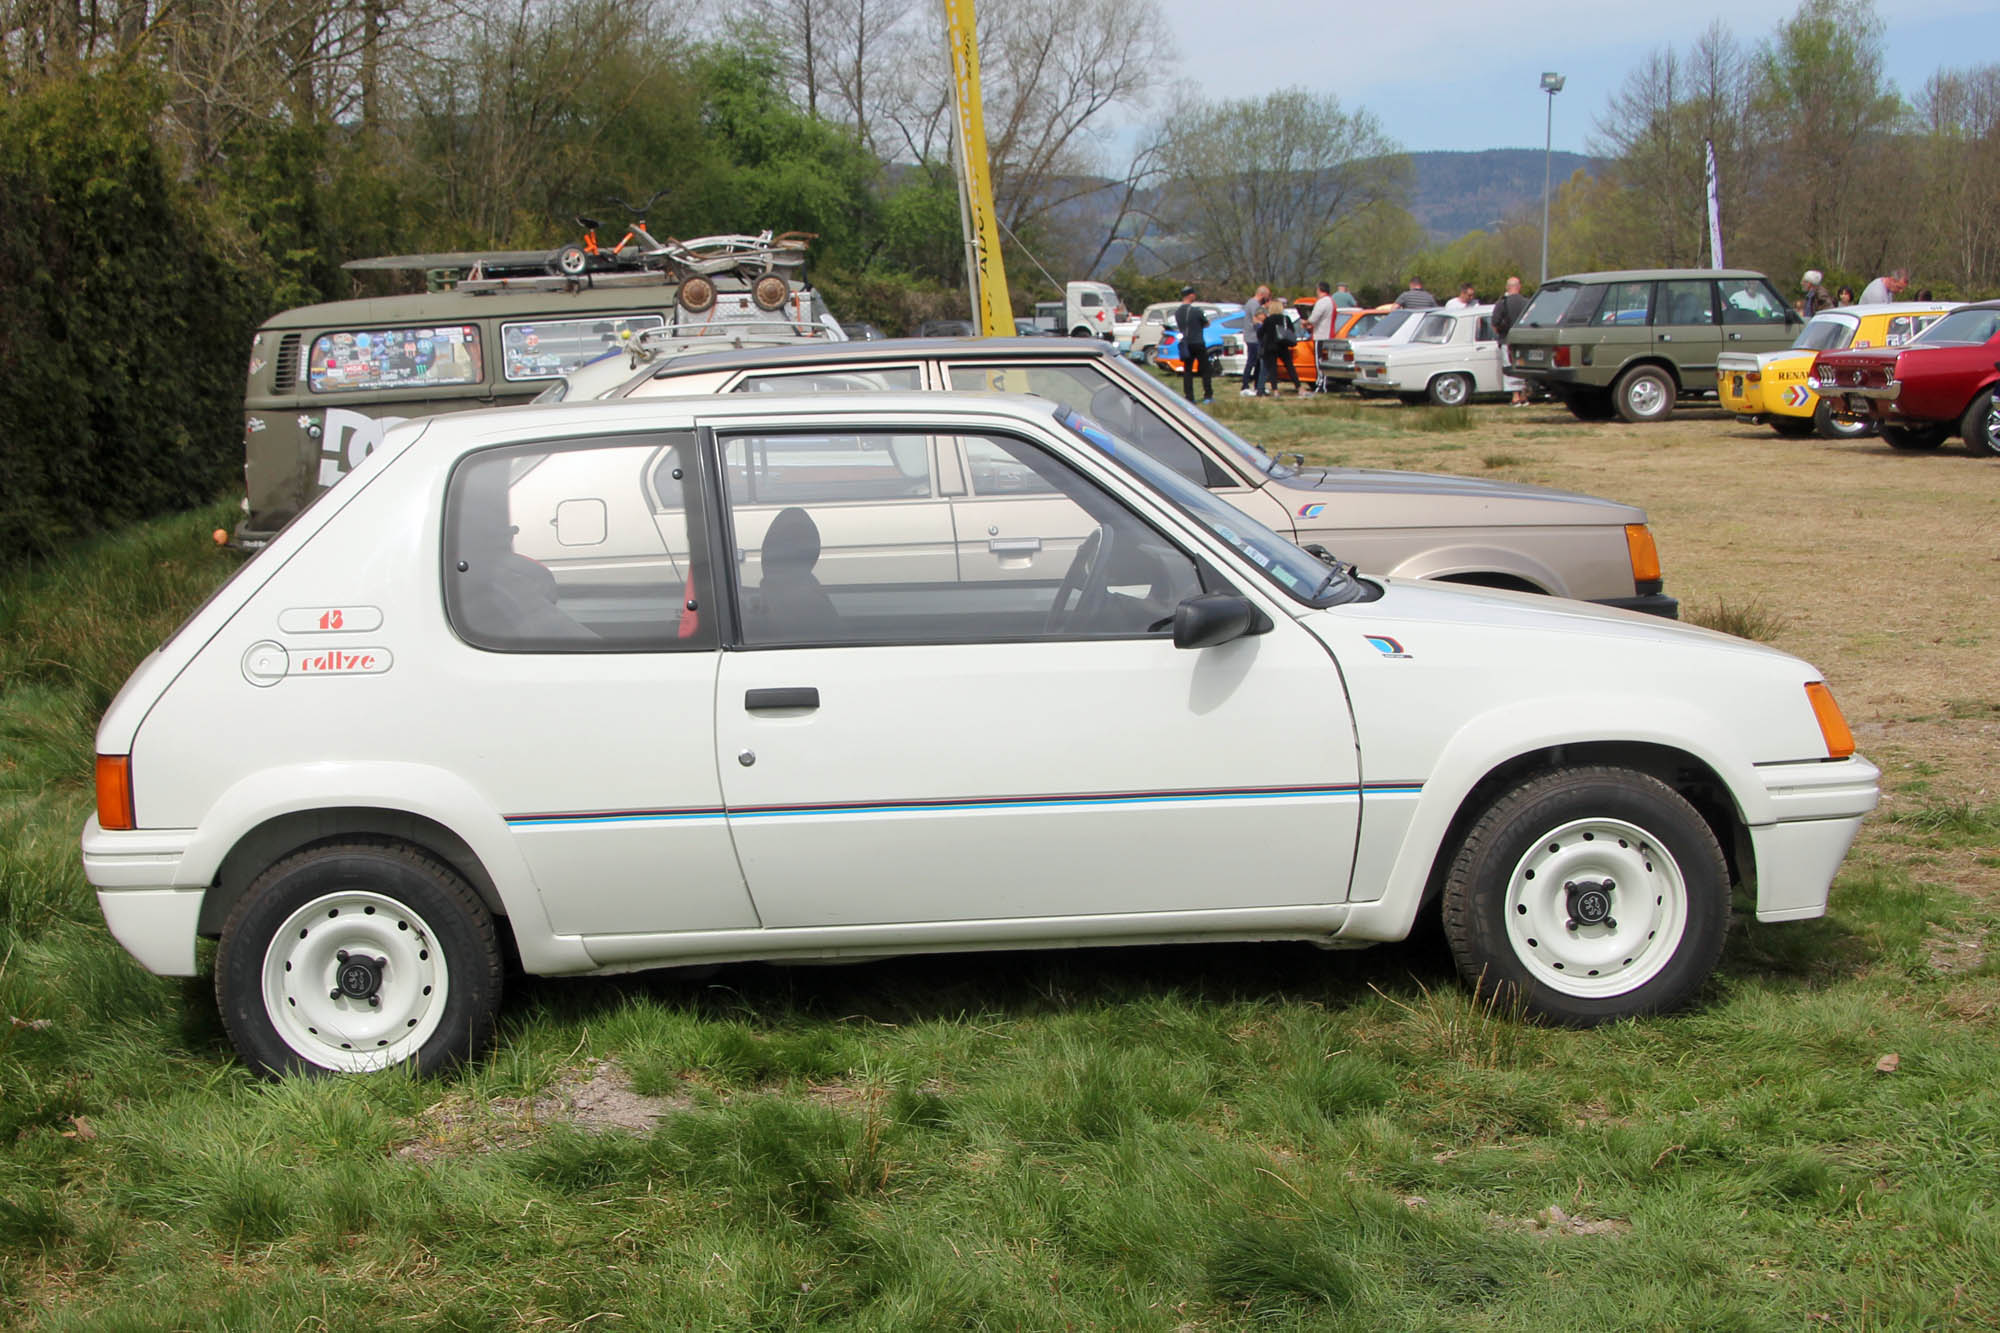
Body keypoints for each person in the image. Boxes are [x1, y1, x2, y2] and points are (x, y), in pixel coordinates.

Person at [1491, 275, 1530, 406]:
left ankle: (1515, 397)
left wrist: (1500, 332)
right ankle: (1524, 396)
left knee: (1509, 367)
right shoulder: (1527, 302)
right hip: (1524, 340)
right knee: (1524, 367)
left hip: (1507, 340)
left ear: (1507, 288)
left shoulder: (1502, 303)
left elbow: (1495, 322)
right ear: (1519, 287)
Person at [1173, 285, 1212, 404]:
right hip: (1198, 342)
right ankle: (1208, 395)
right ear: (1190, 295)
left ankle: (1189, 396)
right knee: (1205, 369)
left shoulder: (1178, 312)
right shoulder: (1196, 311)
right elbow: (1206, 324)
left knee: (1187, 370)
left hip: (1185, 343)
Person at [1257, 297, 1300, 396]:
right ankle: (1299, 387)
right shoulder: (1286, 319)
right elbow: (1291, 332)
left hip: (1270, 347)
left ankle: (1275, 390)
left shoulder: (1268, 320)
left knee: (1273, 369)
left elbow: (1260, 333)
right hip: (1283, 345)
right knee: (1290, 367)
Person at [1238, 283, 1270, 395]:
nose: (1267, 299)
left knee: (1257, 362)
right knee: (1251, 361)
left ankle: (1258, 386)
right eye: (1267, 296)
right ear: (1262, 295)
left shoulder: (1250, 303)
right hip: (1253, 337)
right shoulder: (1254, 304)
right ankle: (1245, 386)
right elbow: (1258, 318)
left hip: (1252, 336)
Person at [1307, 281, 1336, 393]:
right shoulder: (1331, 301)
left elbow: (1313, 318)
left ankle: (1321, 385)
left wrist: (1306, 321)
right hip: (1328, 334)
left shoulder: (1322, 302)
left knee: (1319, 361)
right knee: (1324, 360)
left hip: (1321, 335)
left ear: (1319, 289)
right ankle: (1323, 383)